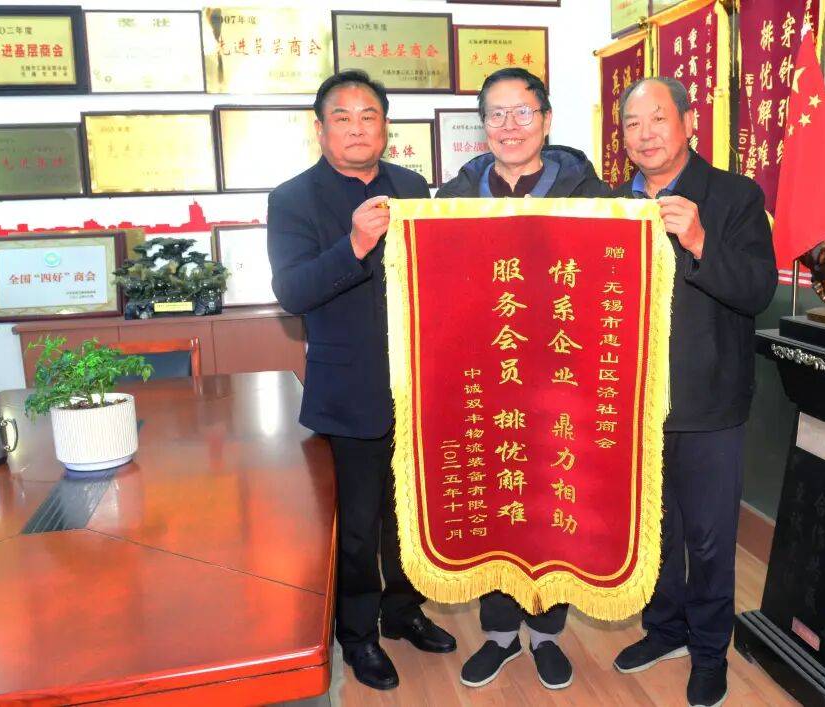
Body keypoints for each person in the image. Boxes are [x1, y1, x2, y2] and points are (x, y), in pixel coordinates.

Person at [266, 70, 456, 692]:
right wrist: (353, 243)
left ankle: (403, 611)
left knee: (409, 514)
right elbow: (292, 292)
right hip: (348, 392)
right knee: (355, 526)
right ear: (320, 129)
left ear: (385, 127)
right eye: (342, 117)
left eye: (368, 116)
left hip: (418, 386)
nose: (356, 128)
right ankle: (357, 633)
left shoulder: (412, 187)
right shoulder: (293, 198)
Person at [436, 67, 609, 691]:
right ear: (482, 126)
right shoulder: (452, 200)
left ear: (547, 120)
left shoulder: (592, 198)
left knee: (551, 504)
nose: (510, 127)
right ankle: (501, 635)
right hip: (487, 381)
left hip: (562, 381)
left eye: (523, 112)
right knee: (496, 503)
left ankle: (547, 633)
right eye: (497, 115)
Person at [609, 77, 777, 707]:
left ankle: (710, 652)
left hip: (708, 400)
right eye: (633, 124)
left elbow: (757, 290)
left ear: (688, 122)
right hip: (632, 402)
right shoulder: (611, 204)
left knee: (707, 537)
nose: (646, 134)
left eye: (658, 119)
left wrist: (700, 240)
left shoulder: (734, 196)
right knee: (653, 530)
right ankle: (664, 629)